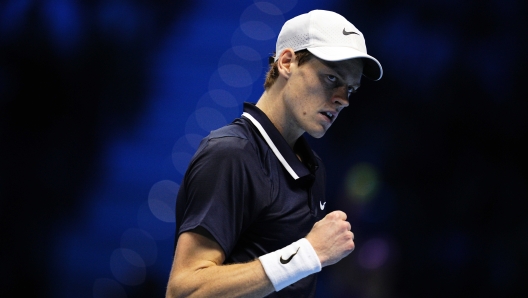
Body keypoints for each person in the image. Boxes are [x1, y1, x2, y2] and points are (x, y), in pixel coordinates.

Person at [166, 9, 383, 298]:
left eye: (351, 89)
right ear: (287, 62)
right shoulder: (231, 154)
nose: (343, 99)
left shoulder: (313, 167)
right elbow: (184, 291)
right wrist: (306, 254)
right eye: (332, 78)